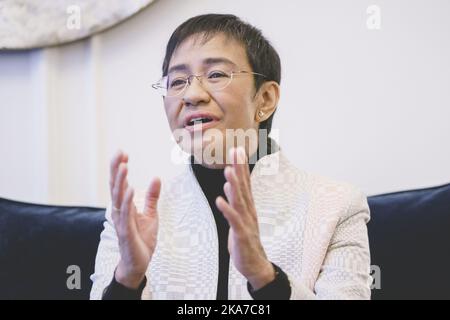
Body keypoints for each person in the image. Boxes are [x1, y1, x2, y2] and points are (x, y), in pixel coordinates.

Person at [90, 14, 372, 300]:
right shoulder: (131, 216)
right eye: (177, 81)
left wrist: (264, 276)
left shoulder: (336, 206)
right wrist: (126, 279)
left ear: (265, 99)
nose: (192, 94)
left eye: (216, 75)